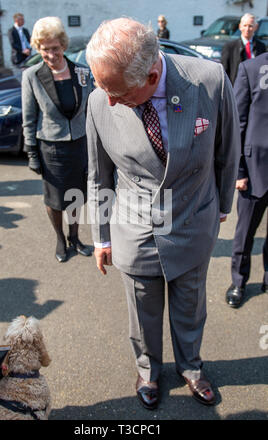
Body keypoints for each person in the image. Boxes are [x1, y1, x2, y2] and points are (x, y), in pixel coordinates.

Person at [85, 18, 240, 409]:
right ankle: (148, 370)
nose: (110, 100)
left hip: (193, 220)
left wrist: (222, 206)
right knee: (143, 312)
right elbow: (98, 174)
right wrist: (101, 236)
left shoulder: (210, 80)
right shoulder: (99, 100)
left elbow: (227, 151)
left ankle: (191, 367)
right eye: (103, 88)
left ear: (152, 75)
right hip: (135, 229)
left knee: (190, 305)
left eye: (118, 91)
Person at [22, 16, 93, 262]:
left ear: (63, 45)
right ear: (38, 49)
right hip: (51, 148)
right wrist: (31, 153)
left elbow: (93, 109)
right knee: (54, 199)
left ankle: (75, 237)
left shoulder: (83, 73)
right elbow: (29, 119)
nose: (51, 54)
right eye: (45, 49)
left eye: (55, 48)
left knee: (76, 195)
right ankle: (60, 239)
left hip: (80, 145)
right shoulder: (31, 76)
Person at [225, 52, 268, 308]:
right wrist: (239, 171)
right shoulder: (251, 68)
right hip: (255, 170)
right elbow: (237, 123)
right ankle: (238, 281)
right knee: (245, 233)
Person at [221, 13, 266, 86]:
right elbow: (224, 72)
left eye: (250, 26)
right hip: (236, 88)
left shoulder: (261, 47)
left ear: (256, 27)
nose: (247, 29)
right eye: (245, 25)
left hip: (255, 86)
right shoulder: (229, 47)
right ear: (240, 26)